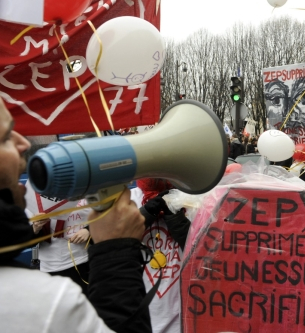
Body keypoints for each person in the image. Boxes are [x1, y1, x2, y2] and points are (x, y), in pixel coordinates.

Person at [0, 98, 151, 332]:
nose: (24, 143)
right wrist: (117, 254)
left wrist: (89, 230)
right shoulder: (50, 302)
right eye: (6, 136)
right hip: (56, 263)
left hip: (81, 259)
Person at [134, 178, 191, 333]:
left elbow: (200, 247)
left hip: (180, 306)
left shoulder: (192, 198)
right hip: (142, 303)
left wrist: (175, 218)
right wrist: (147, 212)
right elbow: (116, 239)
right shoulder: (130, 197)